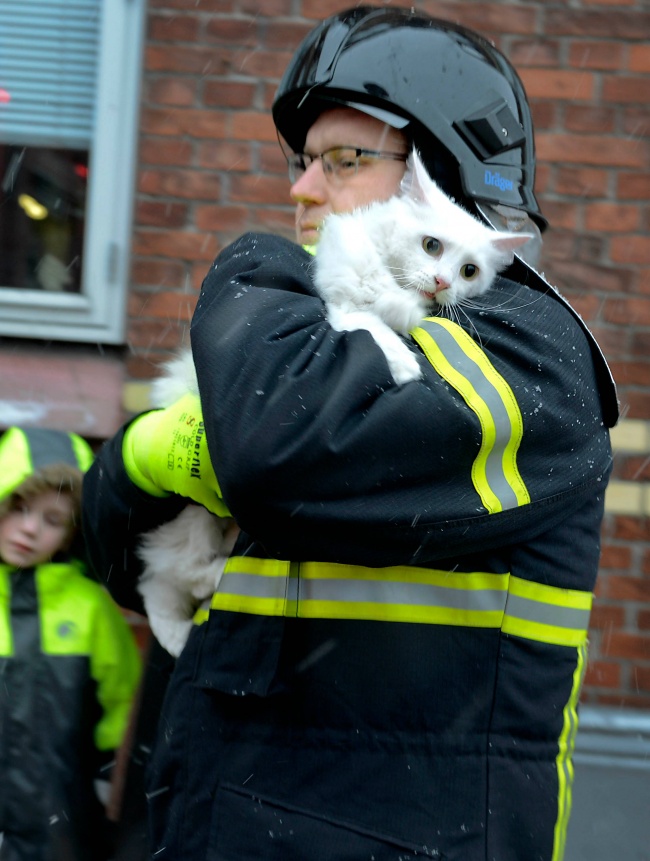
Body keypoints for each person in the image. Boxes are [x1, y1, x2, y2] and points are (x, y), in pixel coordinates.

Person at [82, 7, 619, 861]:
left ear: (441, 175)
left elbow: (274, 448)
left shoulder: (526, 348)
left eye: (344, 160)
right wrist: (143, 454)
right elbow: (108, 543)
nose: (300, 189)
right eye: (301, 163)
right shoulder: (318, 332)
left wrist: (251, 273)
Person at [0, 425, 142, 861]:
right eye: (19, 506)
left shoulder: (90, 609)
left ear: (71, 533)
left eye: (53, 519)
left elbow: (123, 701)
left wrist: (108, 774)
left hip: (61, 816)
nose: (29, 529)